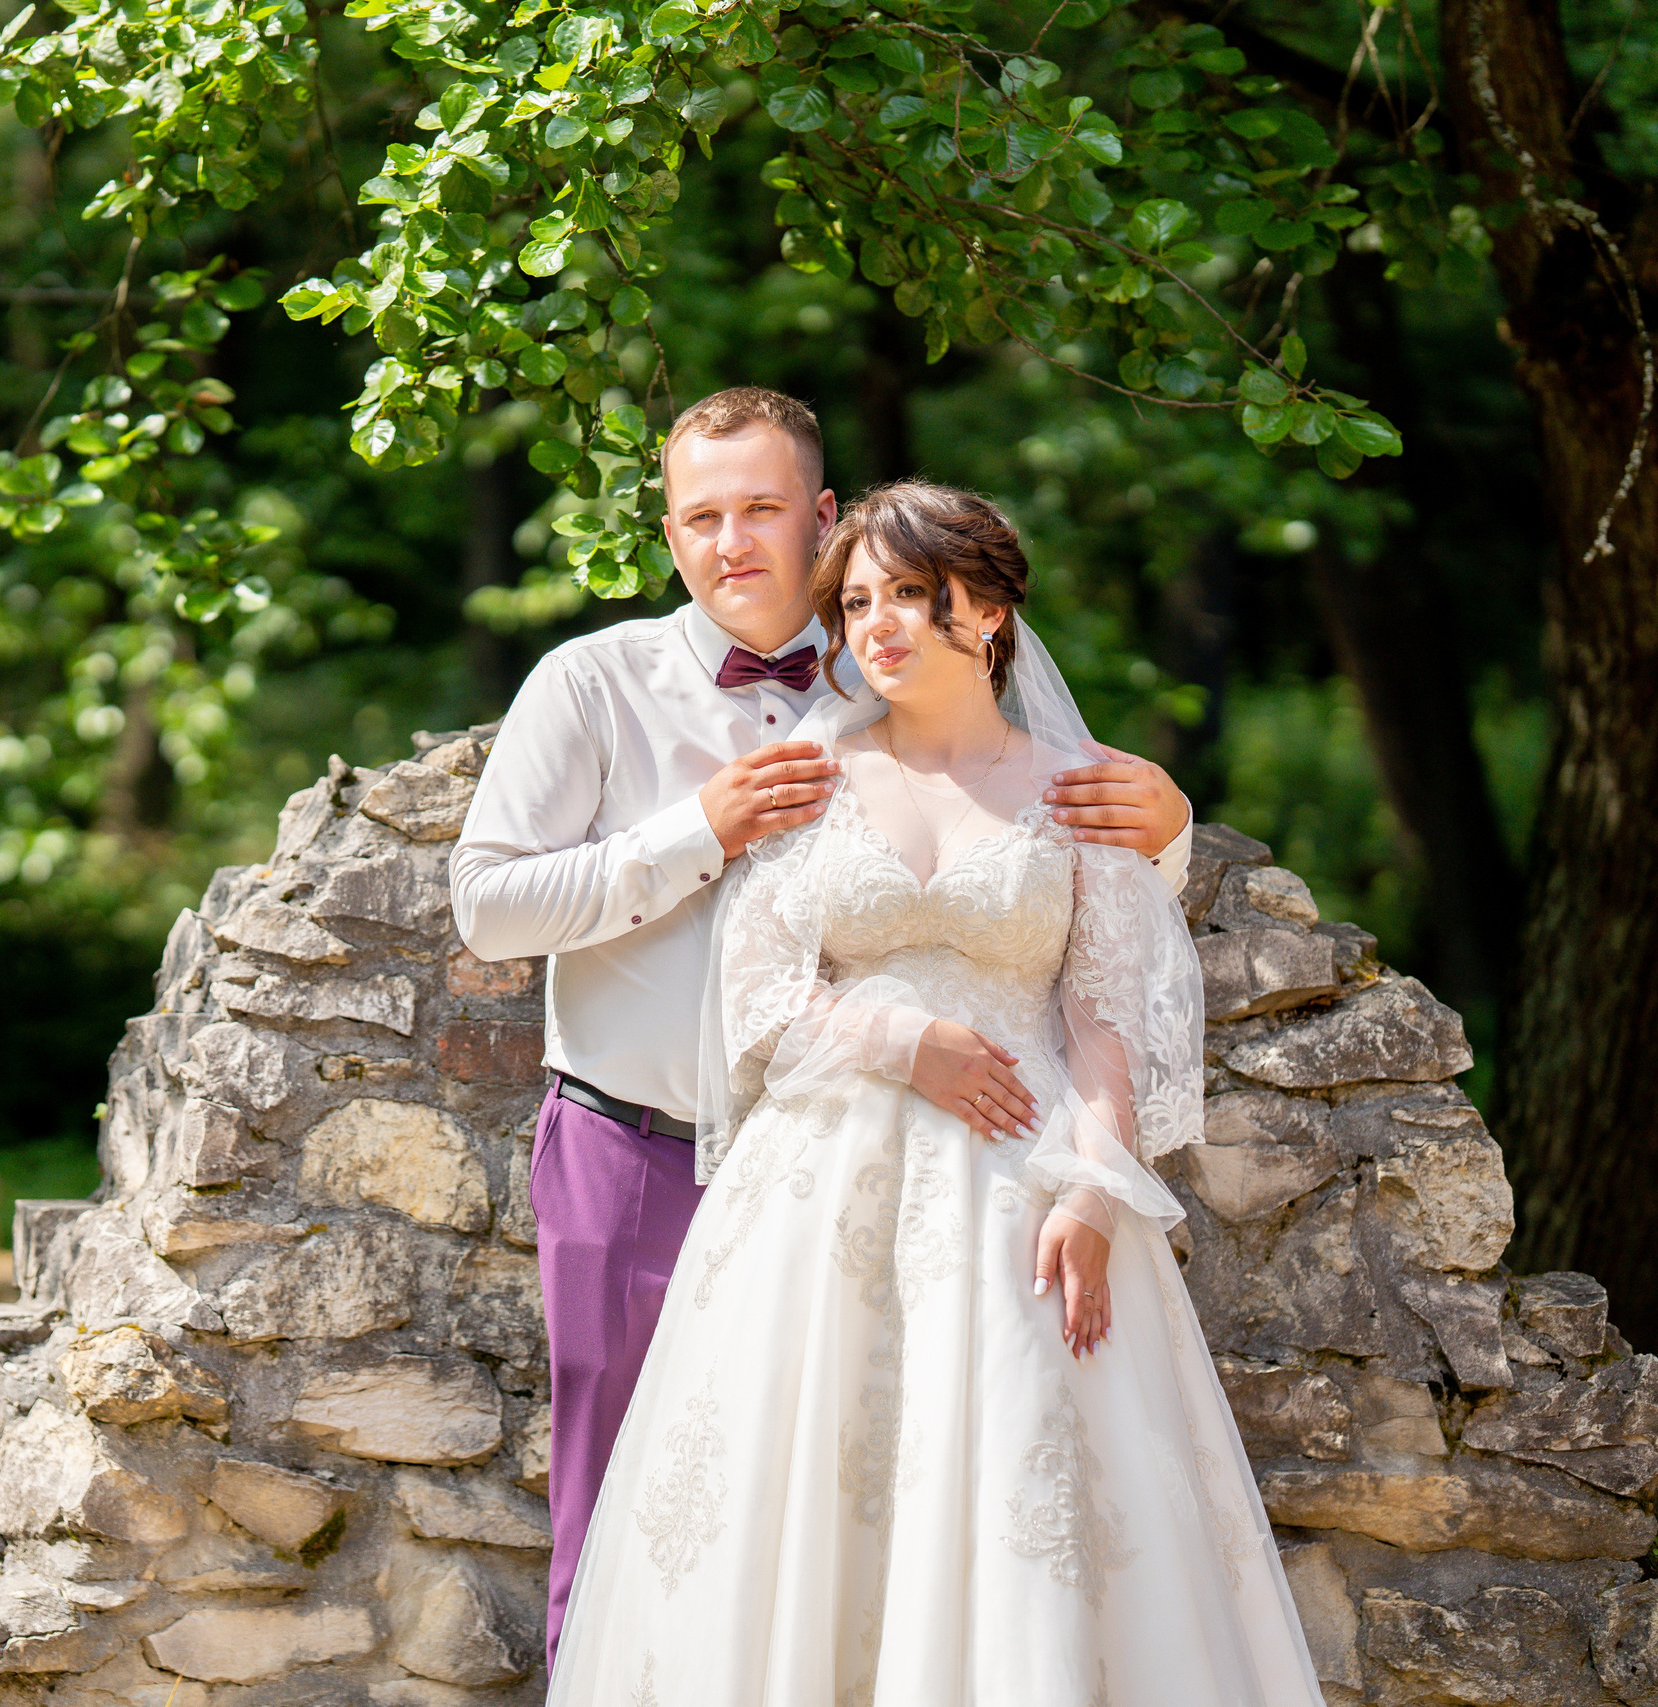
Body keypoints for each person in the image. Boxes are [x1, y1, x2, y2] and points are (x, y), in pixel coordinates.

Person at [539, 481, 1322, 1705]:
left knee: (1021, 1482)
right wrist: (904, 1041)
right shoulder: (809, 772)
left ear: (993, 606)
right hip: (816, 1197)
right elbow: (756, 1006)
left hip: (1021, 1187)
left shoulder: (1074, 790)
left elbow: (1105, 1022)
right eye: (855, 603)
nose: (879, 626)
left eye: (912, 594)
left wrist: (1094, 1191)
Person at [449, 390, 1195, 1668]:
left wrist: (1168, 827)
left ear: (824, 519)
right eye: (700, 516)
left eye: (761, 510)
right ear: (670, 532)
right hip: (641, 1149)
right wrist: (704, 829)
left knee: (902, 1517)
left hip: (901, 1171)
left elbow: (1061, 899)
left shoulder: (894, 663)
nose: (731, 541)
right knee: (642, 1522)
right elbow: (487, 908)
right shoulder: (592, 684)